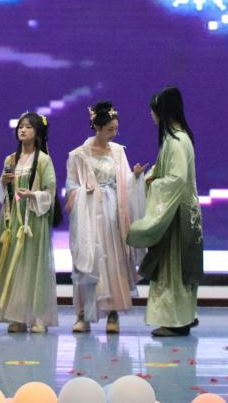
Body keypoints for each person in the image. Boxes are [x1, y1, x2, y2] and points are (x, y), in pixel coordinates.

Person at [127, 86, 202, 337]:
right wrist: (150, 176)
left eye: (154, 110)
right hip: (182, 209)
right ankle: (183, 317)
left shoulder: (176, 141)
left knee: (173, 268)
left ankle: (175, 320)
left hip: (175, 214)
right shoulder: (178, 139)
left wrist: (152, 182)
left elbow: (176, 179)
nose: (152, 115)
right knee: (180, 269)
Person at [65, 101, 145, 334]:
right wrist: (83, 191)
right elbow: (71, 187)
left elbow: (125, 183)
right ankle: (83, 314)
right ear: (97, 127)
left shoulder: (118, 151)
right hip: (89, 213)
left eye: (116, 129)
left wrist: (136, 177)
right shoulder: (78, 154)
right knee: (89, 260)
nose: (114, 133)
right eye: (110, 129)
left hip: (113, 213)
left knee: (113, 260)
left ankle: (113, 313)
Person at [0, 111, 58, 333]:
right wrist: (4, 183)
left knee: (33, 266)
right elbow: (3, 192)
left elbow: (50, 191)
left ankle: (38, 317)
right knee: (13, 266)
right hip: (12, 219)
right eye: (21, 126)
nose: (23, 130)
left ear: (38, 132)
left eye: (28, 127)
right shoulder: (10, 159)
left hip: (32, 220)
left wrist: (32, 195)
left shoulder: (43, 160)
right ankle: (17, 316)